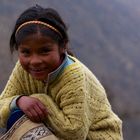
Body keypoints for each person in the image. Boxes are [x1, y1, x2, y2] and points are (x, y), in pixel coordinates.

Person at [0, 5, 123, 140]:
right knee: (17, 113)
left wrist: (40, 101)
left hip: (96, 137)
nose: (34, 61)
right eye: (26, 52)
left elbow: (74, 133)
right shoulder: (23, 69)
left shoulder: (73, 76)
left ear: (63, 46)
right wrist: (18, 101)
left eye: (45, 51)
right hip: (53, 132)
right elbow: (2, 105)